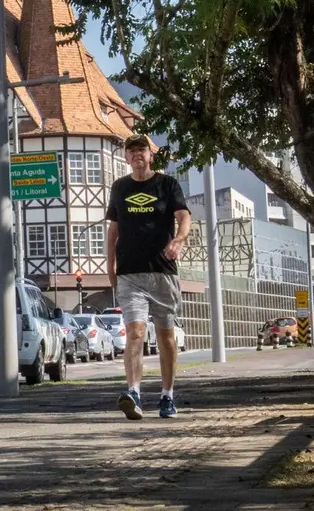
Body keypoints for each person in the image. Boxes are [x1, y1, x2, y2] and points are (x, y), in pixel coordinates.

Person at [104, 133, 191, 420]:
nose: (137, 155)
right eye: (131, 151)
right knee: (135, 332)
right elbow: (113, 231)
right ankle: (134, 393)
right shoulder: (120, 187)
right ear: (126, 157)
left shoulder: (167, 184)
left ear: (150, 155)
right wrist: (110, 266)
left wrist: (178, 240)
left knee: (166, 337)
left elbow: (184, 216)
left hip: (162, 272)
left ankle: (167, 396)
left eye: (142, 150)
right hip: (130, 273)